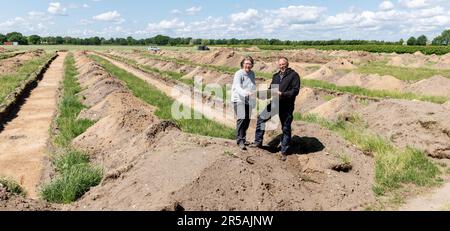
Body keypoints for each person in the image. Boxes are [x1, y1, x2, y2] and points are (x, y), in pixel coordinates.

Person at [253, 57, 300, 161]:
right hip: (274, 104)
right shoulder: (275, 76)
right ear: (278, 65)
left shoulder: (294, 75)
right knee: (261, 119)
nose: (282, 66)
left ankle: (284, 151)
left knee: (286, 128)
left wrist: (282, 94)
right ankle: (258, 142)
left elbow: (295, 91)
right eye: (280, 64)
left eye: (283, 64)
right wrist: (261, 95)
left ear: (287, 64)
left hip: (286, 106)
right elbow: (271, 90)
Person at [231, 56, 256, 150]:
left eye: (249, 64)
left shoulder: (252, 73)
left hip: (248, 100)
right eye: (246, 63)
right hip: (238, 99)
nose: (248, 65)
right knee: (241, 118)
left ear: (252, 65)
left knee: (247, 120)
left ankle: (243, 138)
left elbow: (253, 86)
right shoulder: (239, 74)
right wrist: (246, 93)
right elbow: (237, 87)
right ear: (242, 64)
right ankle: (240, 140)